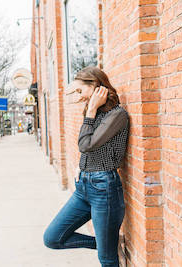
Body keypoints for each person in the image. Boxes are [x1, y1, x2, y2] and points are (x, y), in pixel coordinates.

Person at [43, 66, 130, 267]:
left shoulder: (117, 115)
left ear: (96, 86)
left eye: (81, 91)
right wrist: (81, 167)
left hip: (104, 189)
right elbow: (86, 149)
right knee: (53, 238)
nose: (80, 97)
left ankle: (108, 247)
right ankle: (109, 243)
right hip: (83, 187)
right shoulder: (94, 114)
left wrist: (90, 110)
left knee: (107, 260)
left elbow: (86, 145)